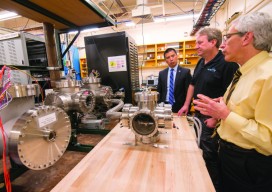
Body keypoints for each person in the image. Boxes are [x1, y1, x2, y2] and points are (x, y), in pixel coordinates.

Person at [193, 12, 272, 192]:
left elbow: (268, 139)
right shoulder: (245, 71)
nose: (223, 44)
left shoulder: (268, 76)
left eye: (228, 37)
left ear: (247, 38)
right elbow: (247, 108)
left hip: (250, 166)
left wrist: (224, 114)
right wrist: (221, 108)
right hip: (229, 156)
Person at [177, 28, 239, 191]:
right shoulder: (201, 62)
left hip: (212, 119)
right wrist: (186, 105)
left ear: (213, 42)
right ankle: (200, 183)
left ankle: (213, 186)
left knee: (210, 154)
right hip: (198, 114)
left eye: (199, 42)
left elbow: (231, 95)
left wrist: (217, 119)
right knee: (199, 149)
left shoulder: (227, 63)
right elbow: (192, 84)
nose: (196, 46)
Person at [157, 48, 192, 113]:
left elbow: (189, 92)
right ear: (166, 60)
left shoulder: (185, 72)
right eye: (168, 57)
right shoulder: (162, 73)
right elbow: (159, 91)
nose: (171, 59)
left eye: (173, 56)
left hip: (180, 106)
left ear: (177, 56)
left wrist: (187, 106)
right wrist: (159, 104)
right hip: (165, 105)